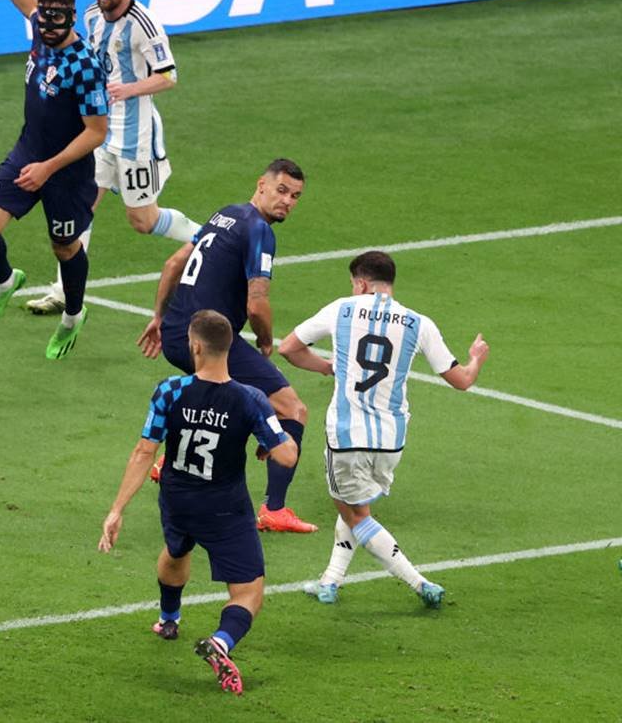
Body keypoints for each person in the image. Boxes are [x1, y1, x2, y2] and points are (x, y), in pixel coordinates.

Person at [98, 310, 299, 694]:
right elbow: (286, 455)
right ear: (229, 348)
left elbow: (144, 451)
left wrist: (117, 510)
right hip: (225, 507)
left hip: (177, 497)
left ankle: (168, 618)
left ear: (194, 346)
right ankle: (221, 642)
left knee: (177, 549)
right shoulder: (251, 398)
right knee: (248, 591)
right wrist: (271, 443)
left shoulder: (169, 390)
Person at [278, 250, 490, 607]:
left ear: (361, 283)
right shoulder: (419, 323)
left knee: (353, 512)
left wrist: (326, 368)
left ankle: (419, 583)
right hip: (391, 440)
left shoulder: (342, 308)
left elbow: (289, 348)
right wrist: (476, 357)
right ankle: (330, 581)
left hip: (346, 435)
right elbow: (463, 381)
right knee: (354, 503)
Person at [137, 158, 317, 533]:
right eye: (282, 191)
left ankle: (171, 461)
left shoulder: (225, 215)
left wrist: (158, 317)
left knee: (222, 393)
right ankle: (275, 509)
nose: (287, 201)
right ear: (262, 185)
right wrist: (266, 340)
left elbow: (173, 264)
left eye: (296, 196)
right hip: (210, 339)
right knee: (292, 409)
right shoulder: (259, 231)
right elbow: (256, 303)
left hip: (176, 335)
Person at [27, 0, 200, 315]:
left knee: (143, 220)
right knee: (81, 207)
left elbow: (169, 76)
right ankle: (63, 290)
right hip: (98, 132)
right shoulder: (89, 15)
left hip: (135, 137)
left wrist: (128, 89)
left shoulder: (144, 23)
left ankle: (208, 239)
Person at [0, 0, 109, 359]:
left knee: (64, 248)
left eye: (55, 20)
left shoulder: (85, 65)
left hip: (65, 171)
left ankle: (72, 317)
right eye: (42, 19)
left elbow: (96, 132)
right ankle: (6, 281)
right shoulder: (41, 27)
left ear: (72, 17)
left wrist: (48, 169)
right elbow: (26, 1)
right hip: (27, 151)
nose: (45, 27)